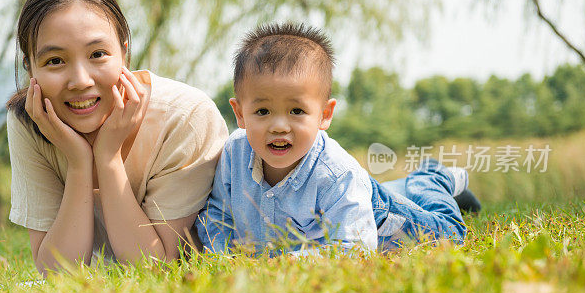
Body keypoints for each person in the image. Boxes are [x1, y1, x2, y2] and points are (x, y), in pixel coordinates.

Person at [6, 0, 228, 274]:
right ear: (30, 67)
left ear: (124, 53)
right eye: (55, 61)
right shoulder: (33, 121)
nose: (81, 81)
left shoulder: (185, 118)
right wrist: (79, 163)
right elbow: (59, 274)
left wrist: (108, 158)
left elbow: (155, 269)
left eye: (98, 54)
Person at [196, 22, 470, 256]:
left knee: (450, 235)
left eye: (297, 111)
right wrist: (223, 257)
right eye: (262, 111)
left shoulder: (337, 173)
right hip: (355, 196)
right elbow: (216, 214)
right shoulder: (234, 152)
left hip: (380, 219)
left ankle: (431, 178)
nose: (279, 126)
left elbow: (356, 247)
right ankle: (405, 184)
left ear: (324, 115)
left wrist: (297, 262)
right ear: (240, 113)